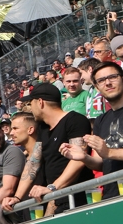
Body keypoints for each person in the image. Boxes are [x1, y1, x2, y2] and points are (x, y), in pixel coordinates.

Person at [62, 61, 123, 200]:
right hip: (111, 195)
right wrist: (84, 158)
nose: (108, 83)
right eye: (101, 80)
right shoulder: (100, 120)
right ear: (97, 87)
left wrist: (108, 152)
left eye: (112, 77)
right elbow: (100, 163)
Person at [24, 84, 92, 213]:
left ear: (40, 102)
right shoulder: (42, 128)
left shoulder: (75, 120)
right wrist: (16, 197)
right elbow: (33, 162)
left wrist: (53, 187)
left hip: (76, 199)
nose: (30, 108)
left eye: (30, 103)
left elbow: (78, 159)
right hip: (56, 199)